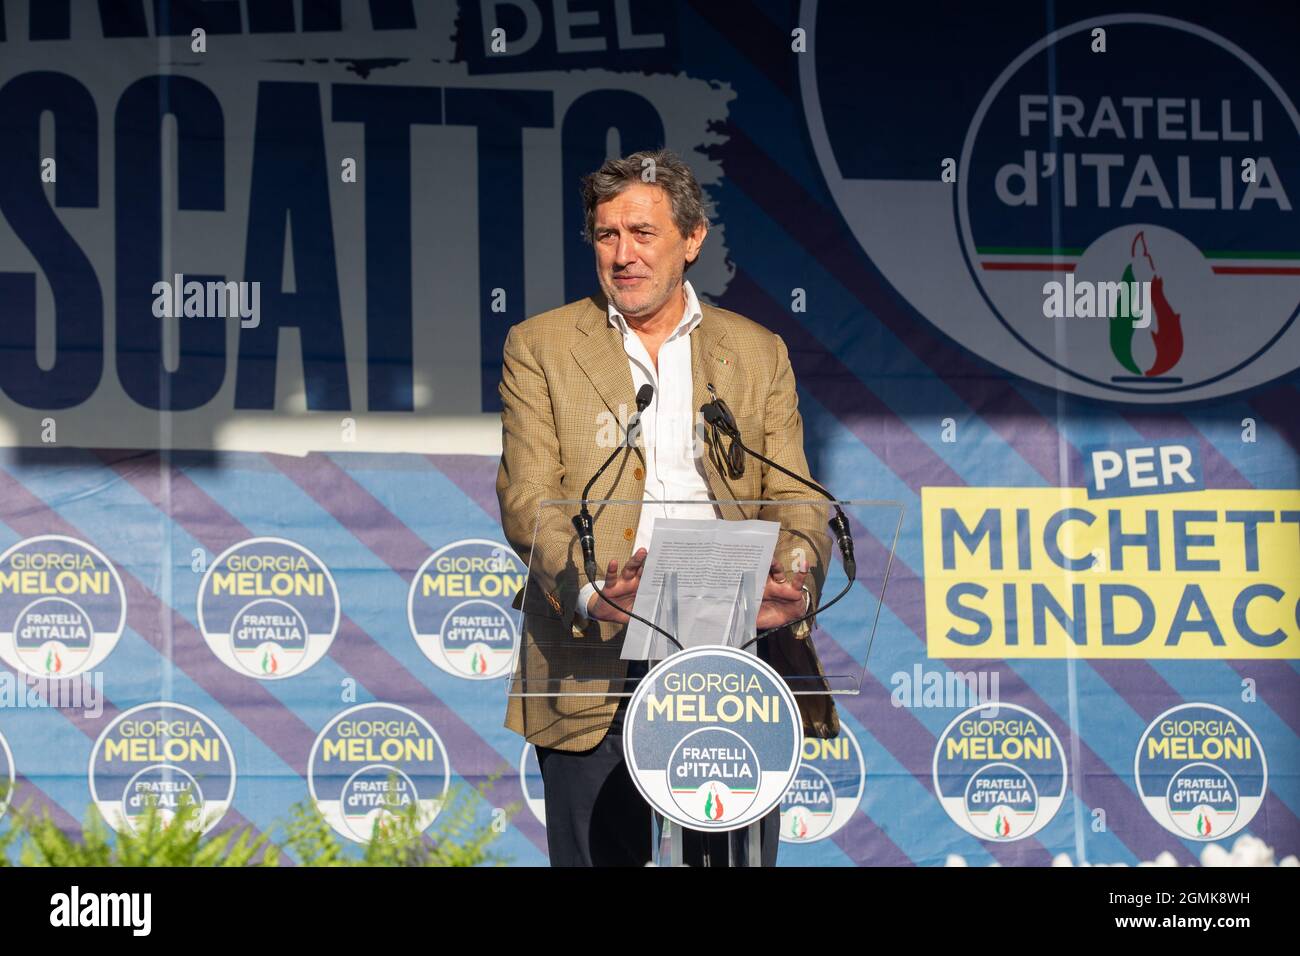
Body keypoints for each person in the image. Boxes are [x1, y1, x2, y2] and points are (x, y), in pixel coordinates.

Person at [496, 148, 838, 866]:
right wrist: (589, 592)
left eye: (642, 233)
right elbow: (529, 498)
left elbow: (798, 496)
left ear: (691, 240)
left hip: (729, 649)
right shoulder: (540, 346)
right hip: (592, 652)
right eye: (606, 234)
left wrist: (795, 581)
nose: (622, 255)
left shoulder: (756, 351)